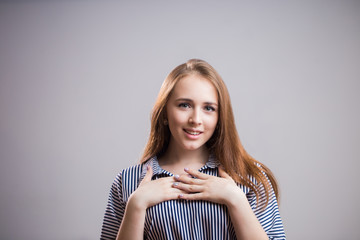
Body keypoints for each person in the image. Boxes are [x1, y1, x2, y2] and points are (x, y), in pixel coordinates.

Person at [100, 59, 286, 240]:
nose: (196, 119)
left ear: (220, 117)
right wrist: (137, 205)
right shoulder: (127, 182)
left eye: (209, 108)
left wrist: (235, 199)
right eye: (185, 105)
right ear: (165, 112)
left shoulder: (250, 177)